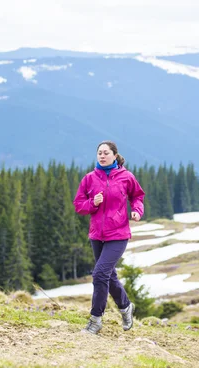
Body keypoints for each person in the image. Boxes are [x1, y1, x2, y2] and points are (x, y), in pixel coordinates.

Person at [73, 140, 145, 335]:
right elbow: (79, 205)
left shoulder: (126, 177)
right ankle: (126, 307)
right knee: (108, 275)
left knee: (99, 274)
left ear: (114, 155)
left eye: (106, 153)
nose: (102, 156)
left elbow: (137, 196)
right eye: (99, 153)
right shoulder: (89, 178)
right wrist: (92, 203)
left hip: (118, 233)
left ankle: (95, 320)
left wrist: (137, 211)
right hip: (97, 234)